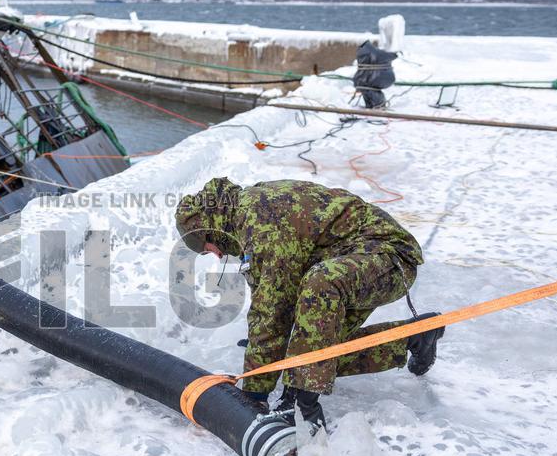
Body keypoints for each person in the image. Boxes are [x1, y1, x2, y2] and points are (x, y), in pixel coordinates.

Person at [175, 177, 445, 430]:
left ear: (211, 230)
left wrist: (253, 394)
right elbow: (270, 294)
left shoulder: (260, 221)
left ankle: (303, 405)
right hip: (351, 261)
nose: (218, 255)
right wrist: (275, 355)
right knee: (316, 356)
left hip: (389, 258)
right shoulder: (245, 212)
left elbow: (273, 310)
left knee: (318, 298)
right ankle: (415, 337)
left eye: (207, 248)